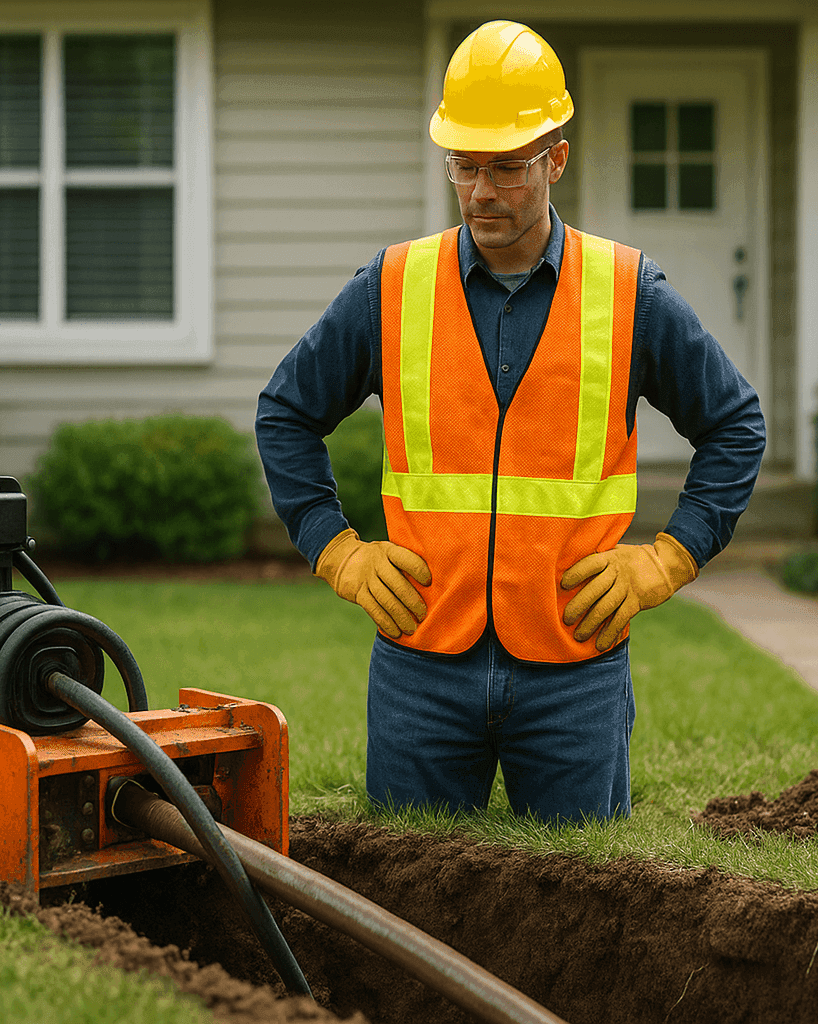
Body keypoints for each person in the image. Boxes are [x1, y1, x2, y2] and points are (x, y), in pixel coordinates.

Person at [255, 20, 764, 822]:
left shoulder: (630, 291)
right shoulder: (390, 287)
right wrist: (335, 549)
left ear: (556, 157)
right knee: (411, 900)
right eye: (464, 165)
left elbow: (735, 425)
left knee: (582, 911)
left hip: (574, 669)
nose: (483, 191)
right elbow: (285, 410)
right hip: (421, 663)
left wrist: (667, 561)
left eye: (508, 167)